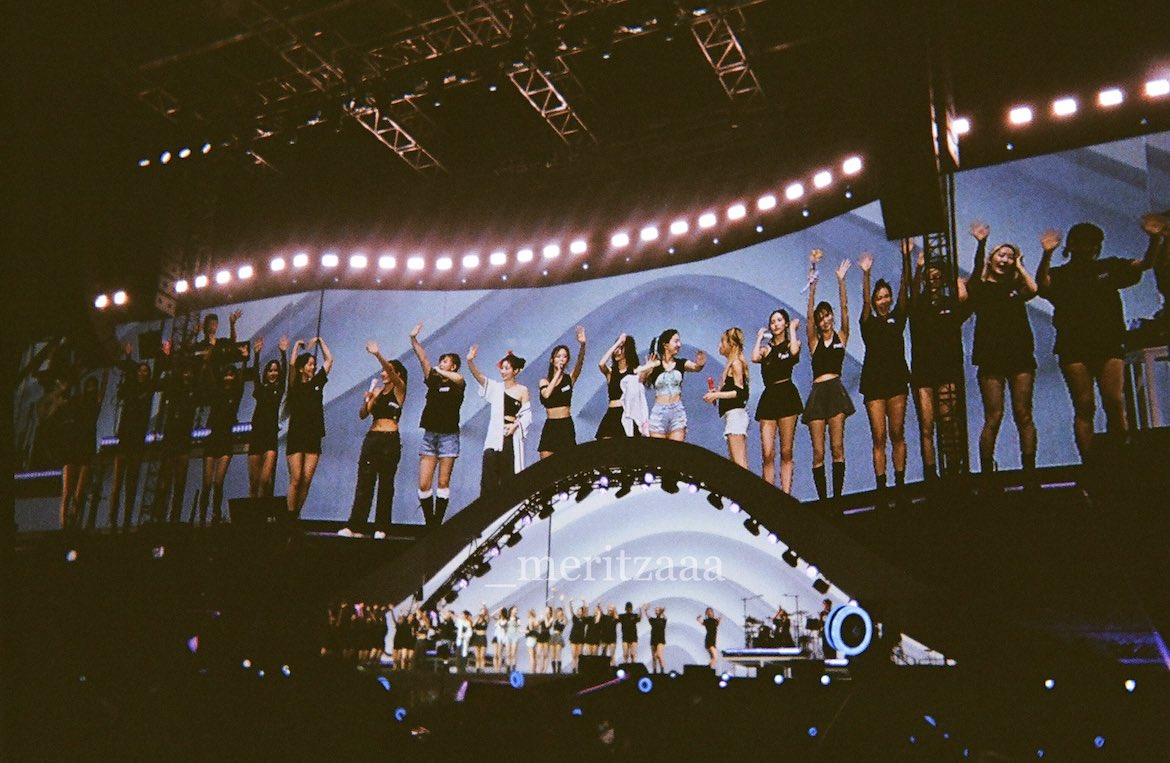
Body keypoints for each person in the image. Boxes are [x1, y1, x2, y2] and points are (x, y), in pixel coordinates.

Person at [1037, 221, 1157, 459]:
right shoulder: (1060, 274)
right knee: (1084, 405)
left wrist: (1154, 239)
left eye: (1095, 244)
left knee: (1114, 401)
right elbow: (1042, 285)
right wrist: (1047, 254)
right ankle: (1089, 463)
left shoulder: (1109, 266)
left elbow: (1145, 264)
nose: (1091, 248)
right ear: (1073, 245)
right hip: (1074, 345)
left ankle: (1121, 458)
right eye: (1086, 243)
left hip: (1108, 342)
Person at [961, 222, 1039, 482]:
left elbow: (1034, 289)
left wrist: (1020, 266)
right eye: (1001, 255)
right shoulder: (980, 287)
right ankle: (987, 476)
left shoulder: (1016, 288)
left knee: (1024, 414)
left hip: (1020, 355)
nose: (1004, 260)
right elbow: (975, 271)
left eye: (1009, 256)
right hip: (991, 357)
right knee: (993, 417)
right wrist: (982, 243)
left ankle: (1029, 472)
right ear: (991, 258)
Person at [858, 242, 912, 494]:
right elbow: (864, 301)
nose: (883, 300)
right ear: (873, 300)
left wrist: (906, 259)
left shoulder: (897, 317)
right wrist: (866, 274)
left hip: (897, 380)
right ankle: (882, 489)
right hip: (874, 383)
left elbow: (904, 290)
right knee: (879, 437)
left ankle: (900, 486)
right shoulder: (867, 322)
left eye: (885, 296)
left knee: (897, 433)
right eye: (879, 297)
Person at [910, 246, 967, 480]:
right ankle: (931, 474)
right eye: (929, 277)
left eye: (937, 276)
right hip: (923, 370)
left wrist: (958, 282)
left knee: (949, 421)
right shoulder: (918, 303)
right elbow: (913, 292)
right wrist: (918, 267)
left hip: (947, 368)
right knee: (927, 425)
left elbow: (964, 301)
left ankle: (954, 467)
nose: (933, 280)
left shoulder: (948, 302)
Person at [340, 341, 407, 538]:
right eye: (383, 370)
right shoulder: (378, 391)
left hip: (389, 440)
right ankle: (356, 526)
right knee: (364, 482)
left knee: (386, 484)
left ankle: (382, 527)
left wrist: (378, 354)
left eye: (387, 370)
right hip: (373, 438)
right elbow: (363, 414)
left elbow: (391, 373)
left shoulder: (400, 389)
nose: (383, 373)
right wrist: (368, 398)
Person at [803, 251, 855, 499]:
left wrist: (841, 281)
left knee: (837, 447)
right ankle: (823, 501)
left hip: (836, 392)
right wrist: (812, 285)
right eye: (821, 318)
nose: (825, 320)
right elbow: (808, 317)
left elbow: (845, 310)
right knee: (818, 452)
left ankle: (837, 499)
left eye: (827, 315)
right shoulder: (814, 341)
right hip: (817, 395)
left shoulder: (841, 336)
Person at [409, 322, 465, 527]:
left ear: (454, 366)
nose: (441, 364)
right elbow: (423, 359)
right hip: (430, 435)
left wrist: (440, 371)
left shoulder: (458, 384)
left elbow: (459, 379)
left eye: (446, 361)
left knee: (443, 482)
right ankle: (429, 522)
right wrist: (413, 339)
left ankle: (437, 524)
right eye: (441, 361)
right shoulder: (433, 381)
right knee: (424, 484)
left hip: (449, 437)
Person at [467, 346, 531, 496]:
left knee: (510, 478)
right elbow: (480, 377)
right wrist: (470, 362)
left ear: (515, 371)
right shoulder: (496, 388)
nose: (503, 371)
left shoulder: (522, 390)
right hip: (495, 436)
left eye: (507, 368)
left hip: (511, 437)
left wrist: (515, 425)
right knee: (489, 477)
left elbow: (527, 415)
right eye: (502, 368)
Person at [752, 310, 803, 493]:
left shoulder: (792, 344)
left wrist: (793, 330)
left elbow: (794, 352)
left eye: (779, 320)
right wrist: (759, 338)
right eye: (772, 321)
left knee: (786, 451)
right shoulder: (766, 349)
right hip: (769, 398)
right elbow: (755, 357)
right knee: (767, 453)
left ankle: (786, 493)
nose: (775, 324)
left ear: (785, 323)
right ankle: (768, 494)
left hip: (787, 395)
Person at [109, 344, 156, 529]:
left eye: (145, 371)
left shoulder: (148, 391)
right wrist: (128, 358)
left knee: (131, 482)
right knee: (117, 481)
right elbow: (126, 379)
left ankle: (126, 519)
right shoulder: (130, 389)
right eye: (140, 370)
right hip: (126, 438)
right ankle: (113, 518)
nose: (142, 373)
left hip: (137, 439)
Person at [286, 336, 333, 517]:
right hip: (296, 434)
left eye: (314, 364)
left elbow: (329, 360)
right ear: (302, 368)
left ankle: (296, 515)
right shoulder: (295, 385)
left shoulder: (317, 382)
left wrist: (320, 342)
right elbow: (292, 365)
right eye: (309, 364)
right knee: (296, 479)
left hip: (313, 434)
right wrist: (296, 346)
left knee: (306, 479)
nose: (312, 367)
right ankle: (289, 518)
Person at [195, 362, 245, 525]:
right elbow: (210, 379)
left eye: (232, 375)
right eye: (226, 374)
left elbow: (241, 382)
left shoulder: (235, 395)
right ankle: (202, 517)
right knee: (207, 483)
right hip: (213, 439)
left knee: (218, 482)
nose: (228, 377)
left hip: (226, 440)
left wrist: (246, 359)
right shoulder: (216, 392)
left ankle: (216, 515)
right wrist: (209, 358)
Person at [58, 371, 109, 529]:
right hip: (76, 443)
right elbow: (79, 387)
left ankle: (73, 520)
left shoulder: (95, 403)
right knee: (68, 491)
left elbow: (103, 388)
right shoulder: (81, 400)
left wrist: (107, 370)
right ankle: (64, 523)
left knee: (78, 491)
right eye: (90, 385)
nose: (91, 388)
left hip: (86, 444)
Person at [641, 329, 707, 441]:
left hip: (677, 412)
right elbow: (641, 380)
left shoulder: (681, 363)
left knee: (677, 449)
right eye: (676, 341)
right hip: (659, 413)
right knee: (658, 449)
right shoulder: (655, 365)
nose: (679, 345)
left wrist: (700, 363)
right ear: (665, 345)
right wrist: (647, 368)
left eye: (679, 341)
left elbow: (695, 367)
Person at [247, 335, 288, 498]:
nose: (273, 373)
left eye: (276, 370)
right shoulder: (260, 389)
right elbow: (255, 374)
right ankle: (252, 510)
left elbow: (285, 375)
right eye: (270, 370)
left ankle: (263, 509)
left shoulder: (279, 390)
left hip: (270, 436)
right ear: (266, 373)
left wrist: (283, 353)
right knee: (254, 482)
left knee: (265, 480)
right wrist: (256, 354)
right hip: (256, 435)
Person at [537, 327, 587, 459]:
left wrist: (583, 345)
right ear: (552, 360)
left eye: (565, 356)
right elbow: (546, 394)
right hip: (551, 425)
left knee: (568, 460)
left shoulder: (569, 379)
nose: (561, 359)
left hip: (565, 424)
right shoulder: (544, 381)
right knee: (545, 459)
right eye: (558, 356)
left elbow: (580, 363)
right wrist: (558, 373)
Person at [703, 327, 750, 469]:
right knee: (734, 463)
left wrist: (716, 395)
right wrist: (716, 394)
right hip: (731, 415)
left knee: (739, 463)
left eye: (722, 341)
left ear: (731, 344)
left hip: (736, 416)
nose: (719, 345)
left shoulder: (736, 364)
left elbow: (740, 392)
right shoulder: (730, 365)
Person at [596, 334, 646, 438]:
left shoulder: (635, 371)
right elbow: (601, 364)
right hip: (612, 413)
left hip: (627, 413)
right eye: (616, 348)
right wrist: (618, 342)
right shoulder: (611, 372)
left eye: (621, 348)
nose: (617, 351)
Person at [647, 606, 667, 674]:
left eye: (657, 610)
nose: (656, 611)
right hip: (653, 639)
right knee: (654, 657)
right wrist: (646, 610)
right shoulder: (653, 620)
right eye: (655, 610)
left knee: (659, 655)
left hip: (660, 640)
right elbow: (648, 617)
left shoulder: (663, 620)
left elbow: (665, 618)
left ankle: (662, 670)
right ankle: (654, 671)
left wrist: (662, 612)